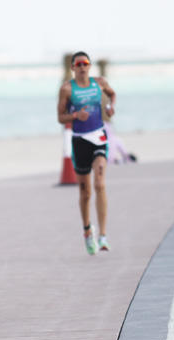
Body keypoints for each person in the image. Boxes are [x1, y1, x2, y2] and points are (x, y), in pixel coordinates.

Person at [57, 51, 116, 255]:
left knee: (100, 183)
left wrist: (110, 107)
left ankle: (103, 236)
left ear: (90, 66)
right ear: (73, 67)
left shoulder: (99, 83)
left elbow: (112, 94)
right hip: (80, 140)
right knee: (85, 191)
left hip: (98, 136)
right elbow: (60, 117)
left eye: (85, 63)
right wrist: (75, 115)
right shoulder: (67, 89)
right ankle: (87, 231)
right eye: (78, 64)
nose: (82, 67)